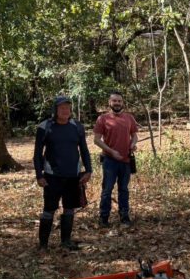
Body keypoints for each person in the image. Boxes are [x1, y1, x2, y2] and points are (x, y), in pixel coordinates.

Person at [33, 96, 92, 252]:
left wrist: (88, 170)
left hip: (73, 175)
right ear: (55, 110)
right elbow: (37, 154)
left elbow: (84, 150)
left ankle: (66, 241)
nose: (65, 111)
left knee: (69, 208)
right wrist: (39, 175)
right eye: (61, 108)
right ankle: (43, 245)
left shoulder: (77, 127)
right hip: (52, 176)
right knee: (49, 210)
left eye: (67, 108)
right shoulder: (45, 127)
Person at [94, 92, 138, 227]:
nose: (117, 103)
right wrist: (111, 151)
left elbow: (134, 136)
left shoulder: (129, 118)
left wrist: (133, 144)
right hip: (109, 161)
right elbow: (96, 140)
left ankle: (124, 216)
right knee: (107, 190)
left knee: (123, 189)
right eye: (114, 101)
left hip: (126, 160)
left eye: (119, 101)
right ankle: (103, 218)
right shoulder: (102, 119)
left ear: (122, 102)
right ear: (110, 102)